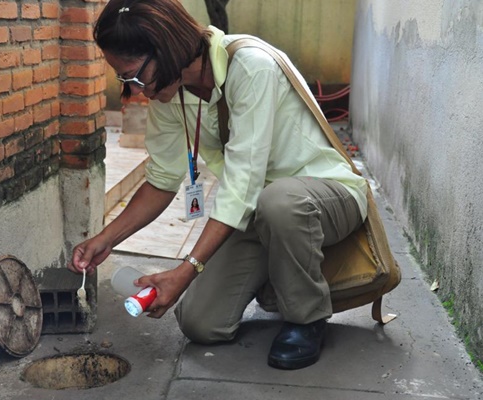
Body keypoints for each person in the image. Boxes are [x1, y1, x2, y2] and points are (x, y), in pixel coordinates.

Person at [69, 0, 368, 370]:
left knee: (280, 202)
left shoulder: (252, 66)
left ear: (164, 49)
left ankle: (306, 317)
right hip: (261, 209)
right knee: (200, 323)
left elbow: (242, 184)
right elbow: (162, 181)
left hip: (325, 194)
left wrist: (187, 268)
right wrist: (106, 239)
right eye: (124, 82)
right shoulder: (170, 91)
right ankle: (277, 276)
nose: (135, 91)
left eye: (133, 77)